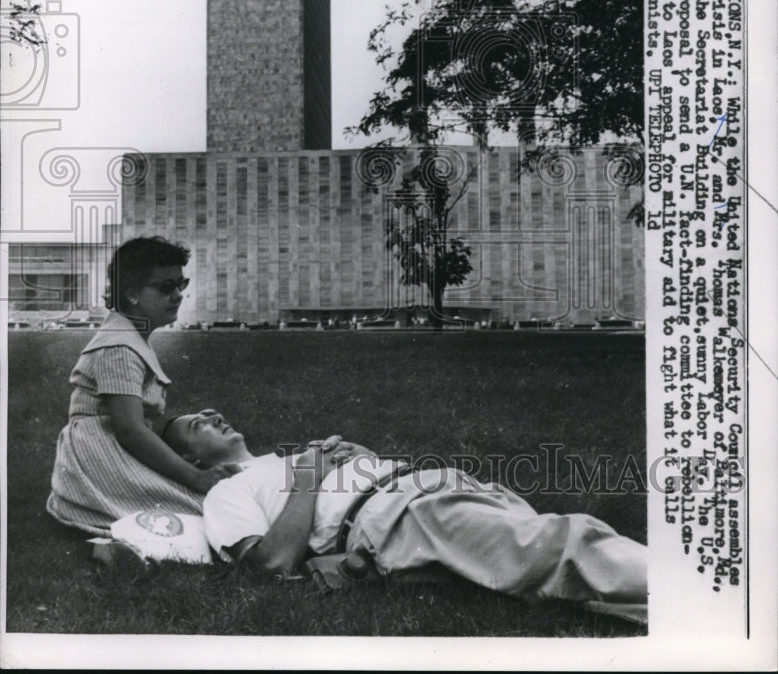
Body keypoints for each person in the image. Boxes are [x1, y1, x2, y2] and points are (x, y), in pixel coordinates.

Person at [162, 409, 648, 625]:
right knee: (562, 544)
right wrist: (311, 474)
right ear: (197, 461)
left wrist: (361, 456)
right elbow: (268, 566)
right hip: (402, 517)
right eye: (194, 424)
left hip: (429, 485)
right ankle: (684, 592)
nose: (209, 413)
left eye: (206, 411)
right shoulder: (226, 493)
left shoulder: (279, 460)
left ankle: (654, 603)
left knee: (546, 566)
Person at [46, 237, 240, 535]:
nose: (177, 295)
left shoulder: (129, 337)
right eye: (165, 287)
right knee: (201, 512)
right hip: (100, 456)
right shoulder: (119, 346)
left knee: (198, 509)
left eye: (180, 284)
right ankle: (118, 548)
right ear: (132, 294)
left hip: (111, 448)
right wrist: (194, 477)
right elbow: (130, 430)